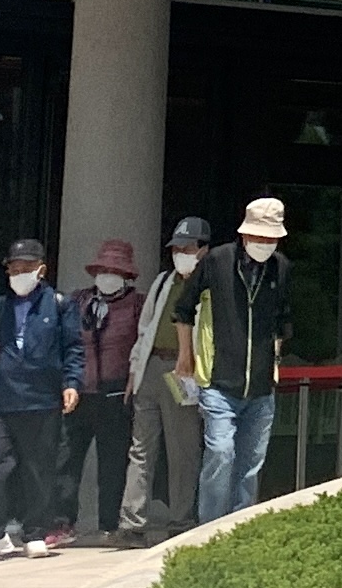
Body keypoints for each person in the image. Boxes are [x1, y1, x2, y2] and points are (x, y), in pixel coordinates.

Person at [0, 233, 83, 561]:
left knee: (38, 470)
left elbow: (73, 347)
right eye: (14, 269)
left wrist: (71, 383)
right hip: (3, 399)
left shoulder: (59, 304)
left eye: (26, 268)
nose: (19, 274)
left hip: (42, 399)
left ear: (41, 269)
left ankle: (35, 532)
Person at [195, 196, 294, 518]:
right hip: (219, 381)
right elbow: (183, 310)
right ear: (245, 233)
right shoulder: (217, 260)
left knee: (251, 463)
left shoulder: (281, 267)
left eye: (271, 238)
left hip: (262, 386)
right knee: (221, 452)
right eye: (259, 236)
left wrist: (274, 361)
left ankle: (239, 521)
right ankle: (209, 526)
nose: (265, 243)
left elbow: (283, 320)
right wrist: (186, 357)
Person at [122, 216, 214, 541]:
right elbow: (145, 329)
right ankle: (132, 523)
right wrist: (135, 370)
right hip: (151, 368)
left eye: (187, 249)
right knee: (140, 449)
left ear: (204, 250)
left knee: (183, 450)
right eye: (176, 249)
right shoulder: (163, 281)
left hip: (184, 371)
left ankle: (180, 520)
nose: (180, 255)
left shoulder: (210, 285)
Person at [70, 237, 144, 537]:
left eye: (115, 271)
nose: (108, 276)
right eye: (103, 270)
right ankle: (62, 522)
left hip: (116, 394)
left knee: (113, 464)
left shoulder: (137, 304)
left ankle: (109, 525)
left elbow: (142, 345)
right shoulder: (79, 301)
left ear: (126, 275)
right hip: (78, 392)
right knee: (67, 460)